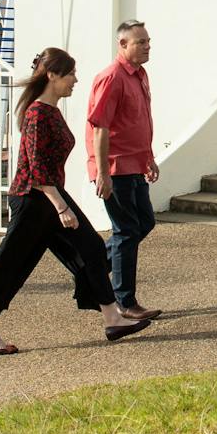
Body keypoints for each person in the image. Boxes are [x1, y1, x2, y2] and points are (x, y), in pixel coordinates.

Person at [0, 47, 152, 353]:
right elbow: (36, 170)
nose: (75, 80)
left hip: (49, 196)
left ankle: (112, 317)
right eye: (70, 74)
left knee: (91, 248)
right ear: (52, 75)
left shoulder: (51, 111)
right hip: (33, 198)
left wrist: (58, 202)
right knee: (11, 263)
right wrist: (61, 207)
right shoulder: (37, 114)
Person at [85, 19, 163, 321]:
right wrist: (102, 173)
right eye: (140, 42)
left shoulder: (140, 75)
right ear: (123, 45)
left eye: (147, 41)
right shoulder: (112, 77)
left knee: (143, 223)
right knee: (127, 230)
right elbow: (100, 128)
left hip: (135, 163)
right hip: (115, 167)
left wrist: (149, 157)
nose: (147, 46)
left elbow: (138, 121)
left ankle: (90, 272)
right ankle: (124, 302)